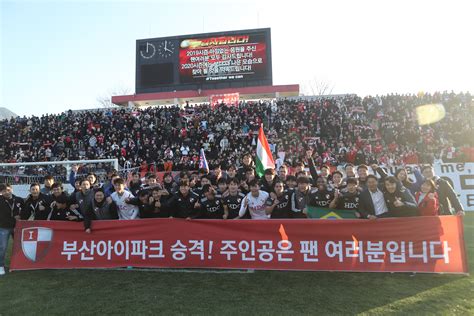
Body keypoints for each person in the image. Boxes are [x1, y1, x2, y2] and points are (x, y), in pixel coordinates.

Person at [0, 184, 23, 276]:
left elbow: (25, 211)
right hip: (3, 227)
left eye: (8, 190)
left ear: (12, 190)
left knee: (20, 246)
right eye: (4, 190)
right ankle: (1, 265)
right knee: (2, 247)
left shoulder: (19, 200)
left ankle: (20, 263)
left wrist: (21, 217)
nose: (6, 192)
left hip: (17, 227)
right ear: (1, 192)